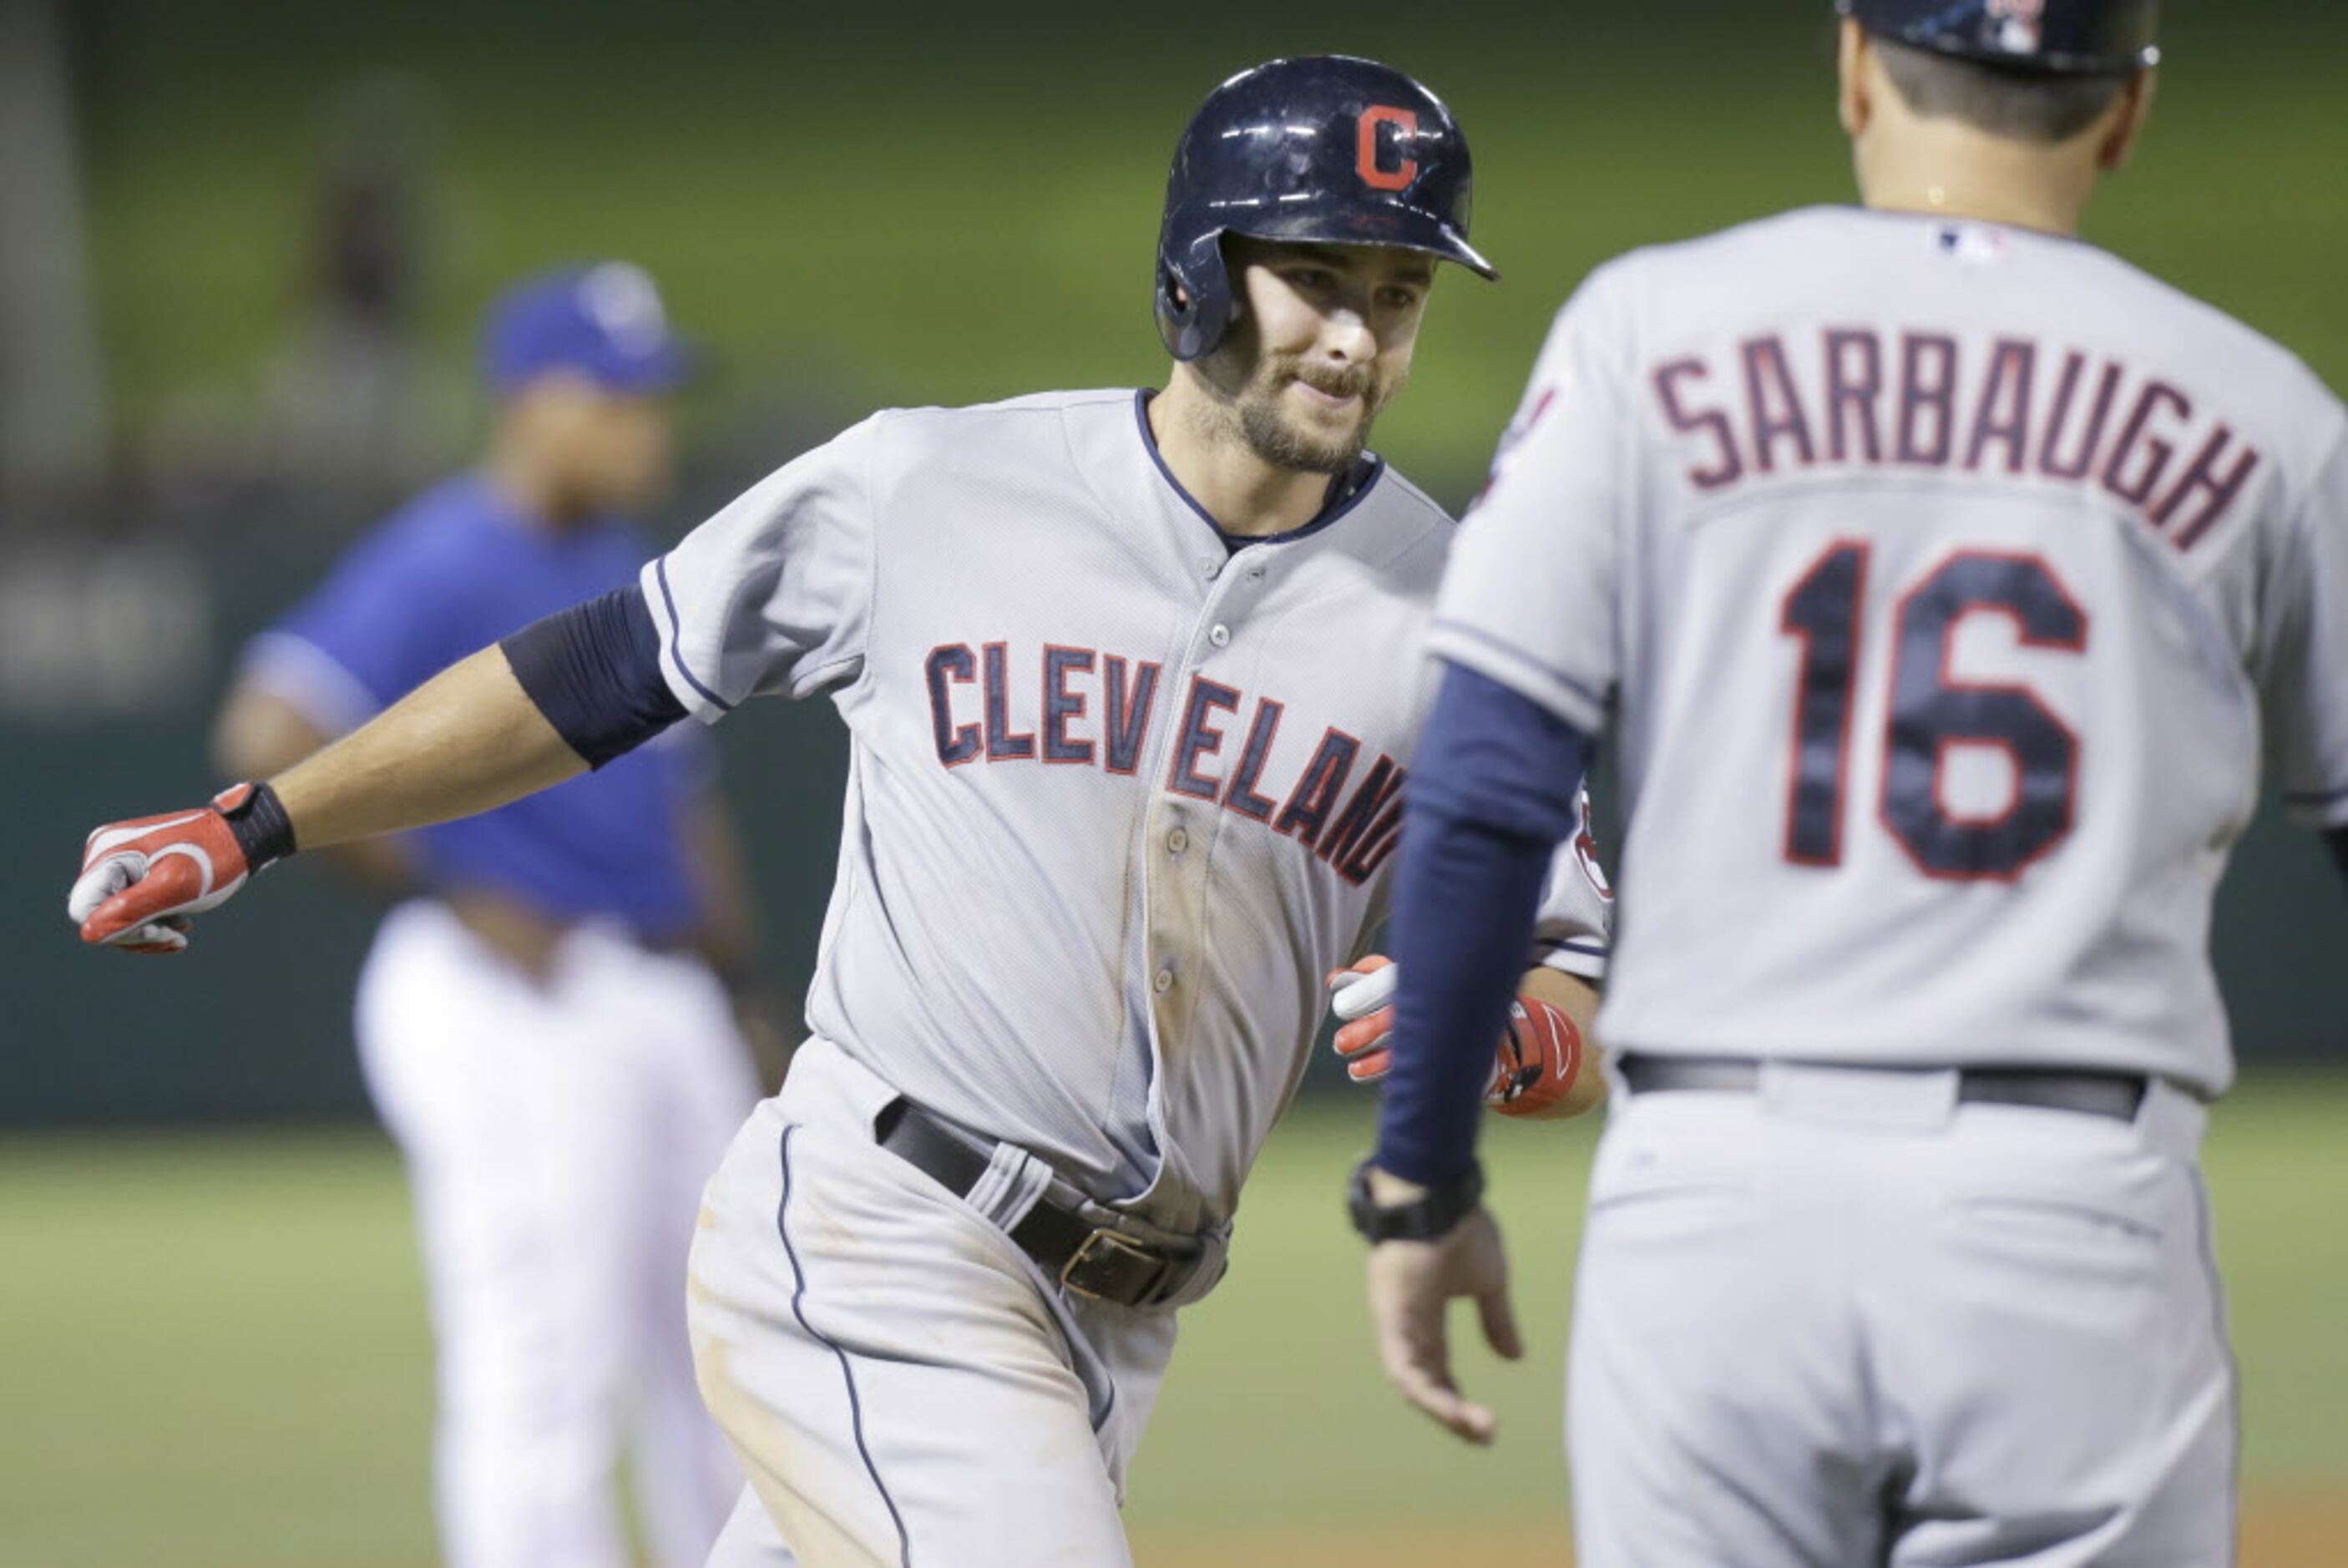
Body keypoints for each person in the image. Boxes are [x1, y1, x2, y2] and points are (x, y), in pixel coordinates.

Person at [68, 58, 1612, 1567]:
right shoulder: (935, 487)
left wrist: (1516, 1032)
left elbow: (1576, 980)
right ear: (1201, 270)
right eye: (1316, 277)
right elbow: (608, 667)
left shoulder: (1470, 607)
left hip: (1123, 1315)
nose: (1356, 335)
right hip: (887, 1229)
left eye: (1397, 294)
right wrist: (258, 821)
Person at [1354, 2, 2348, 1564]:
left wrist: (1420, 1174)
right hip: (2070, 1200)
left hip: (1720, 1198)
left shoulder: (1650, 330)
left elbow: (1488, 781)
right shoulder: (2265, 413)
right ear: (2127, 110)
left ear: (1857, 66)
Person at [209, 262, 773, 1568]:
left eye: (658, 397)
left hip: (653, 987)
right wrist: (457, 882)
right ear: (531, 404)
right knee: (545, 1368)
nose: (653, 426)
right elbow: (268, 727)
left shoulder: (627, 564)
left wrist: (736, 992)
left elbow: (681, 808)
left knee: (729, 1355)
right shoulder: (449, 548)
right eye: (620, 397)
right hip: (514, 996)